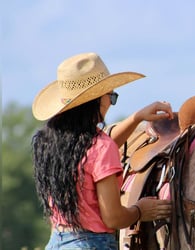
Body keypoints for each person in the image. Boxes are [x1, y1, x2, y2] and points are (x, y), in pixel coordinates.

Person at [31, 52, 173, 249]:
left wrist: (137, 117)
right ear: (96, 100)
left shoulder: (47, 143)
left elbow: (92, 156)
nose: (111, 103)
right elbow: (114, 218)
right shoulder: (100, 146)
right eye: (111, 96)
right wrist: (140, 210)